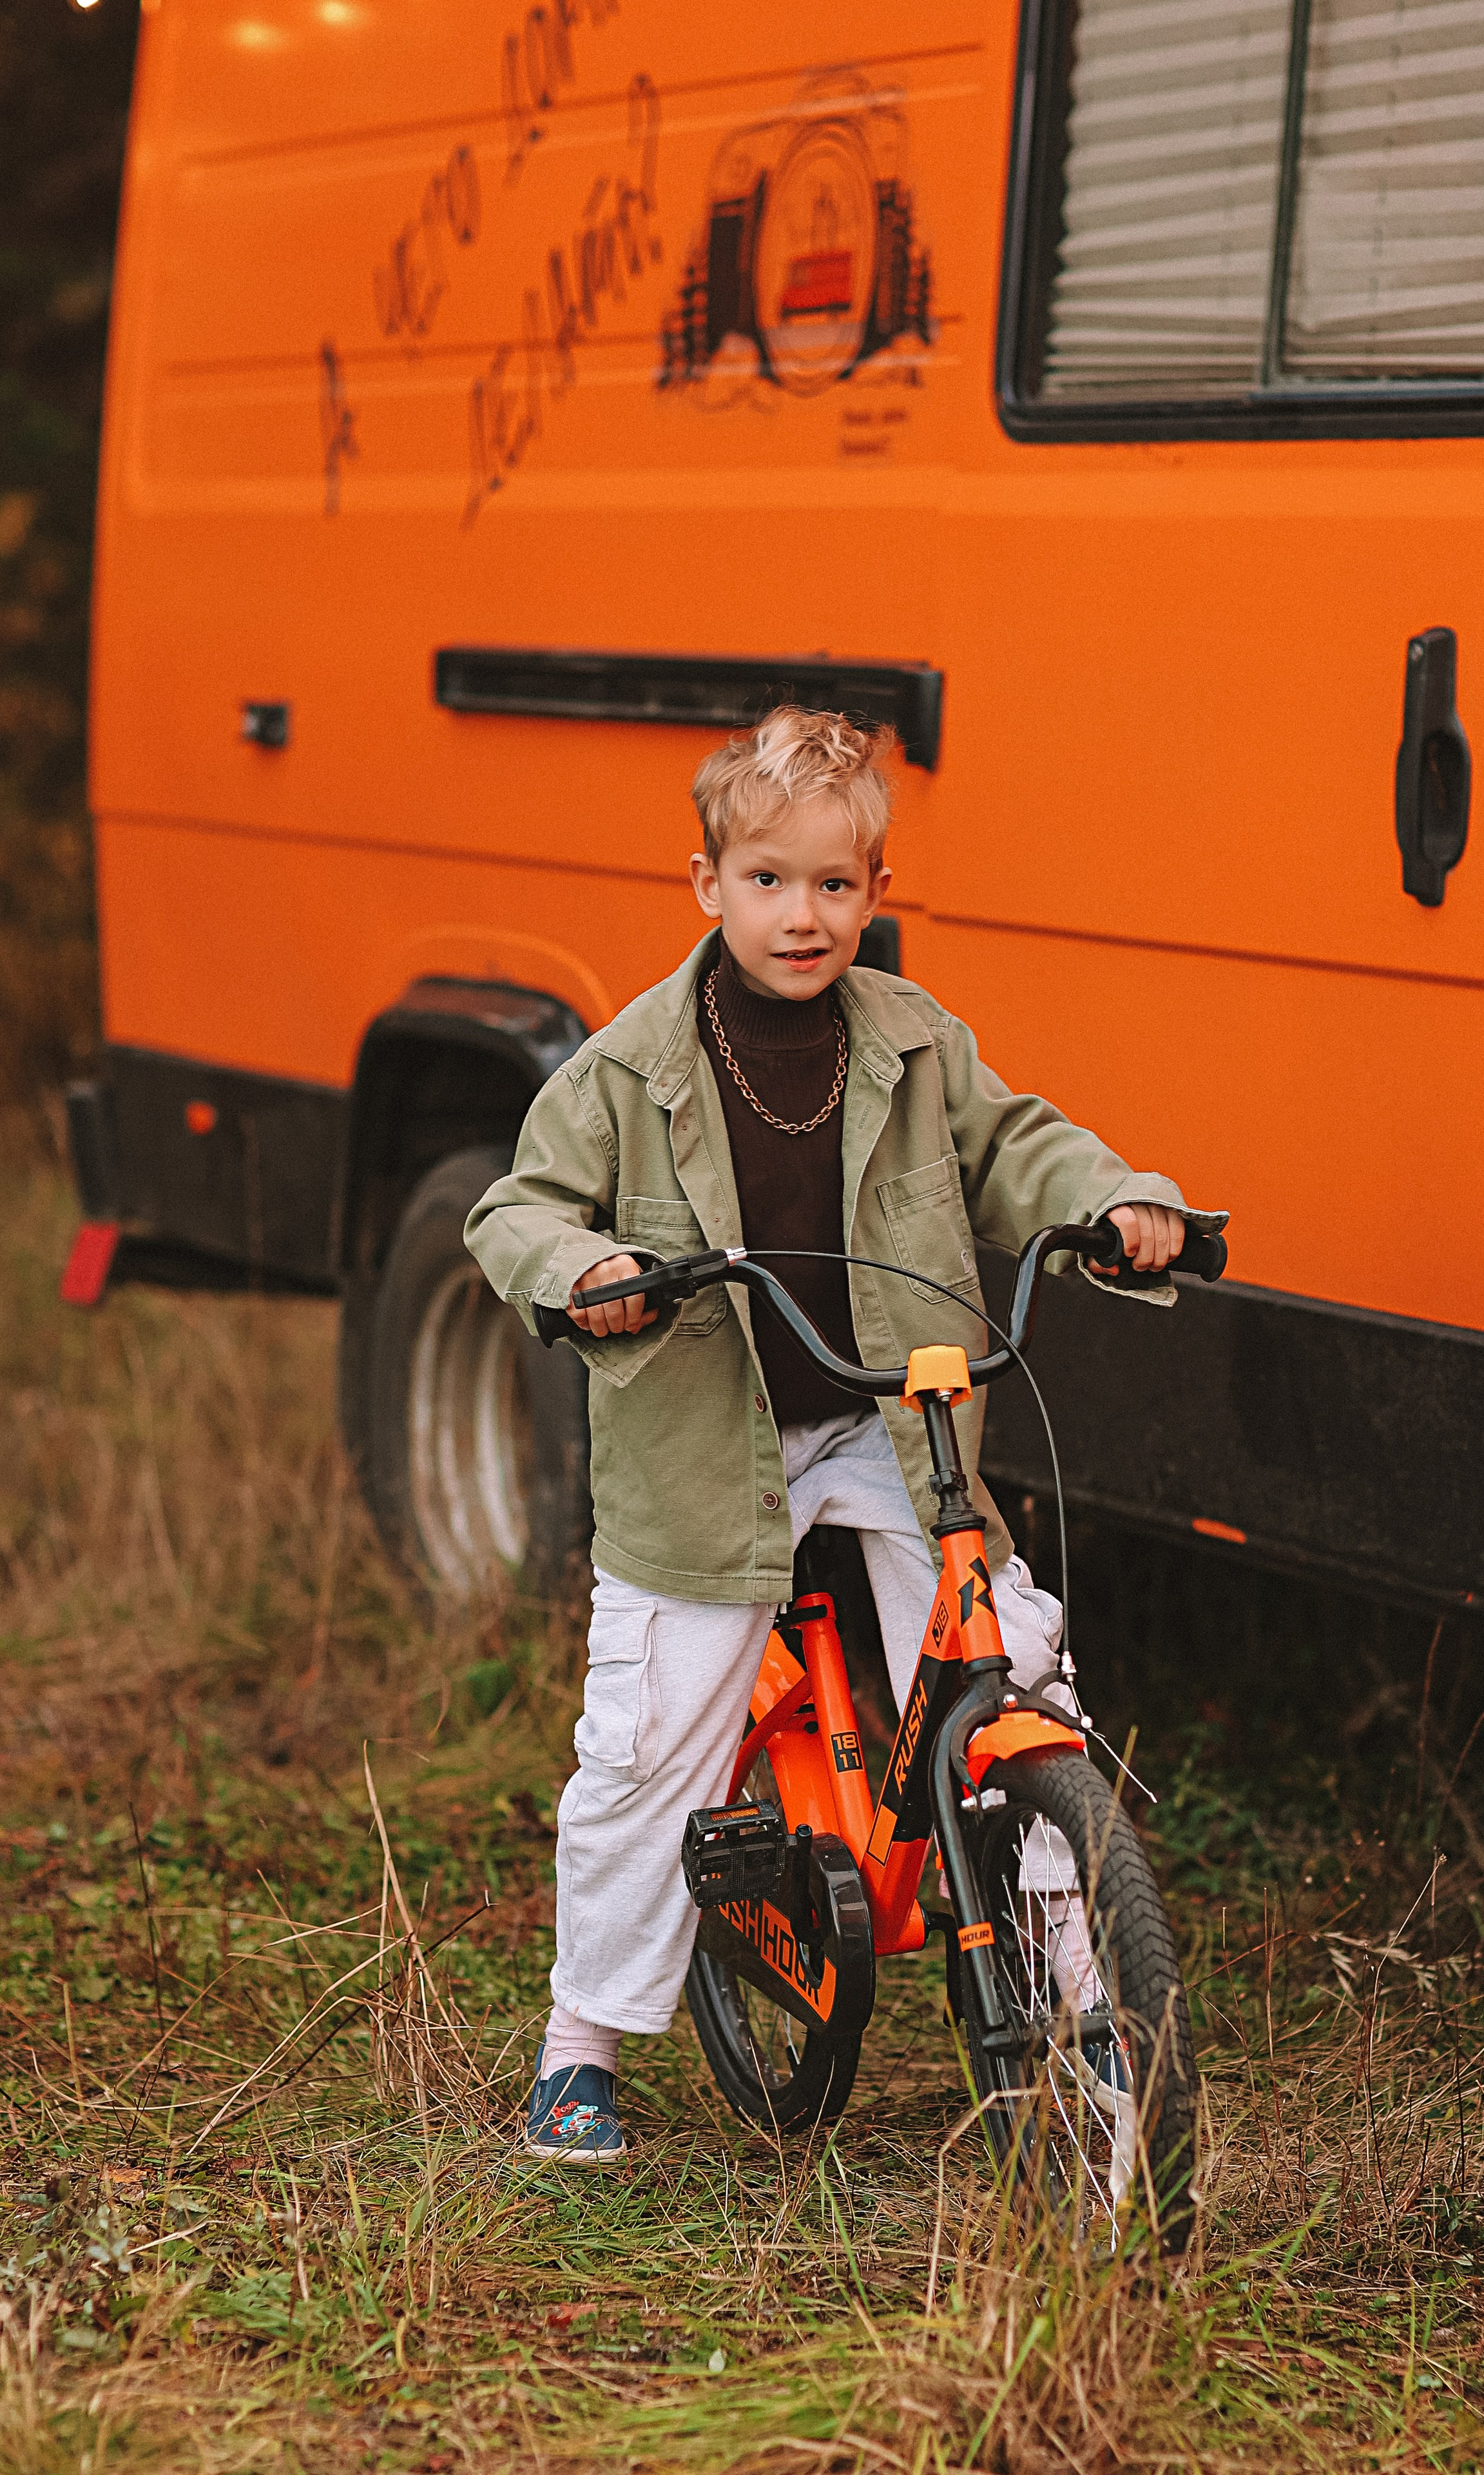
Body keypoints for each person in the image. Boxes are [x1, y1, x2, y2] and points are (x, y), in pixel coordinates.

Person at [465, 706, 1222, 2165]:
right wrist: (585, 1276)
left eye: (831, 885)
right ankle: (583, 2046)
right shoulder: (627, 1067)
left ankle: (1090, 2000)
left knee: (1017, 1669)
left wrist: (1121, 1199)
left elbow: (1019, 1148)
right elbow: (516, 1214)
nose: (797, 915)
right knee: (649, 1741)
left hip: (887, 1422)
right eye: (765, 881)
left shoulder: (914, 1039)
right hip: (703, 1451)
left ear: (875, 894)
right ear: (708, 886)